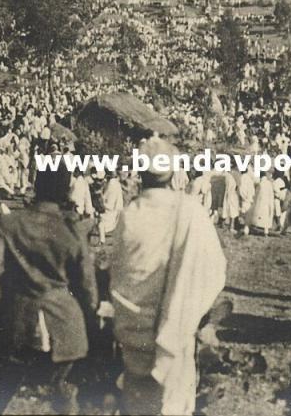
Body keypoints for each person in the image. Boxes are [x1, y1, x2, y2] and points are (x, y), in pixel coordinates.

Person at [110, 137, 226, 415]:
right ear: (174, 173)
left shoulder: (129, 215)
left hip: (131, 335)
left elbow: (120, 275)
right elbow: (214, 272)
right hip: (175, 335)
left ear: (140, 172)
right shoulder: (190, 212)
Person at [0, 167, 98, 415]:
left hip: (18, 314)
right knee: (61, 387)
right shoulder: (72, 230)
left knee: (7, 380)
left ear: (36, 185)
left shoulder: (10, 222)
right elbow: (87, 285)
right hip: (63, 319)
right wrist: (90, 313)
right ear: (66, 192)